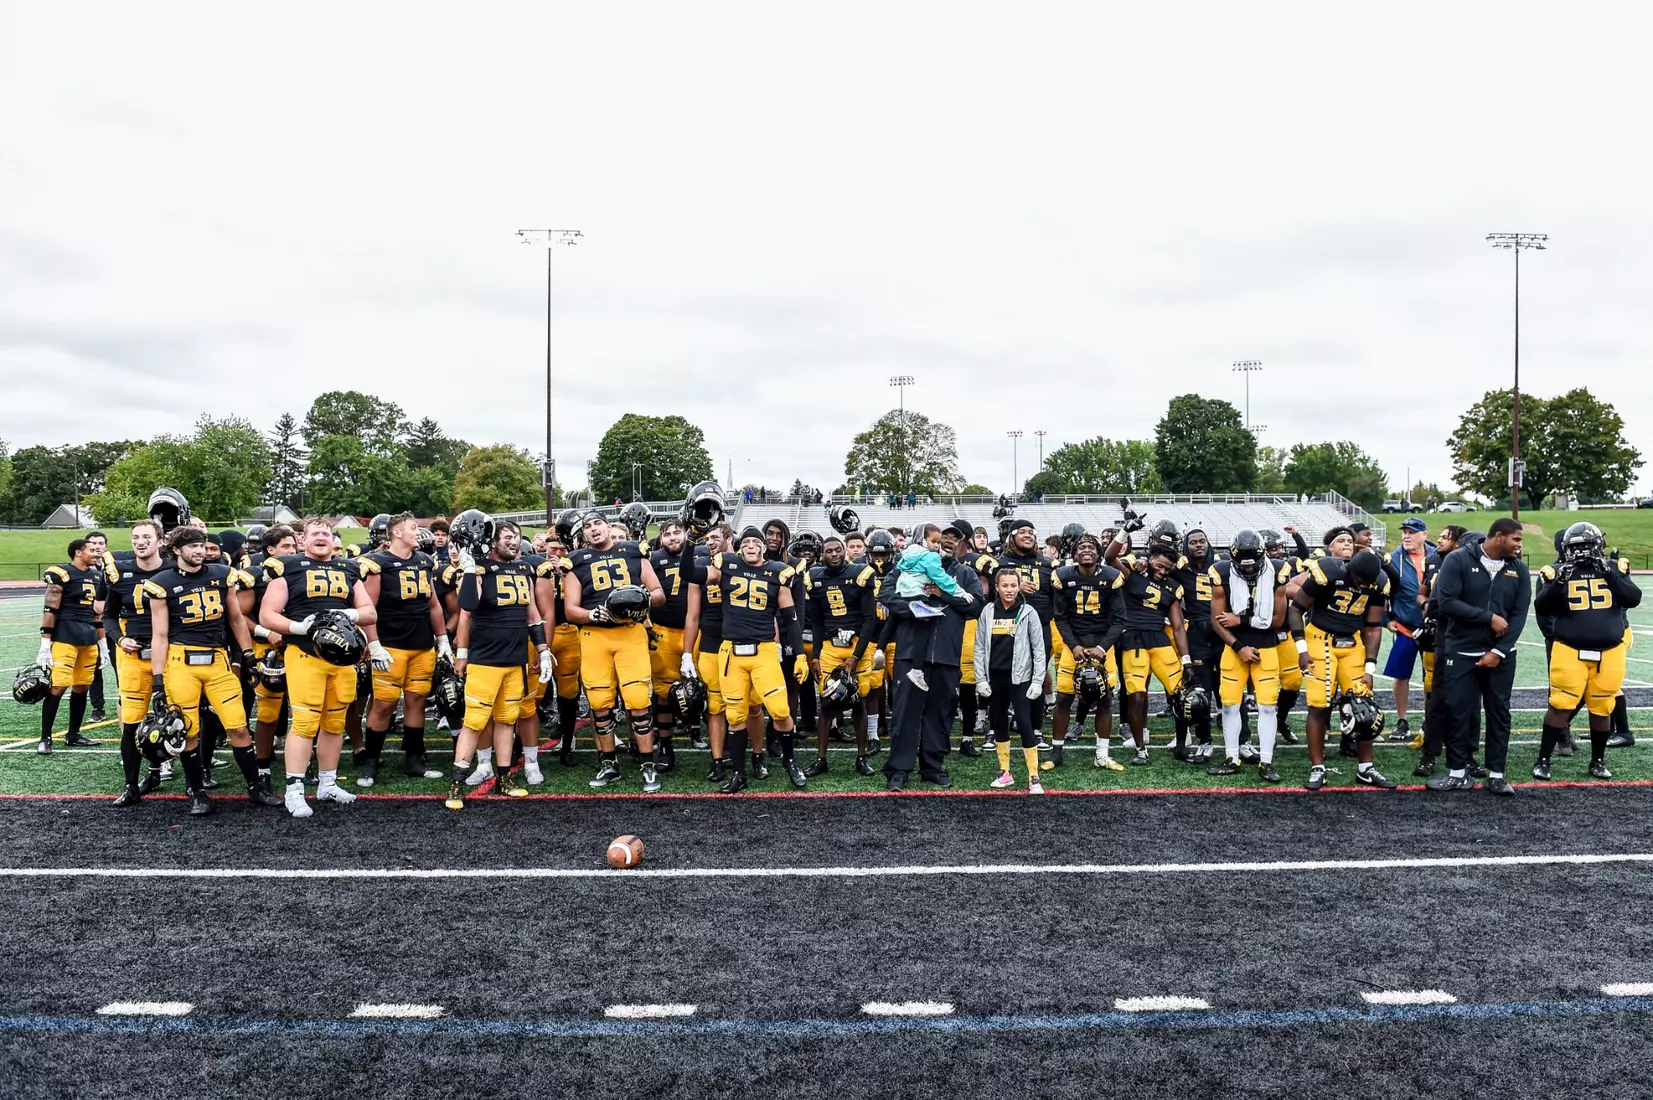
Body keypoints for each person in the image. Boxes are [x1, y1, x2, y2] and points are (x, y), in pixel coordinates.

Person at [143, 526, 278, 815]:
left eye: (201, 545)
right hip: (181, 661)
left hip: (218, 659)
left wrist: (249, 656)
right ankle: (197, 792)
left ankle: (255, 787)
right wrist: (157, 680)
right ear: (177, 550)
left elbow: (237, 620)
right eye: (192, 546)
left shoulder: (221, 574)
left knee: (239, 727)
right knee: (189, 732)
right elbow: (160, 635)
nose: (200, 550)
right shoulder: (161, 583)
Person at [259, 516, 380, 818]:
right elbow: (267, 614)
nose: (321, 537)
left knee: (335, 722)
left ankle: (327, 782)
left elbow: (369, 612)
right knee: (304, 723)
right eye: (315, 533)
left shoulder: (349, 568)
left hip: (343, 658)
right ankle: (294, 790)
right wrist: (298, 627)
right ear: (302, 540)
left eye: (326, 533)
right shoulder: (287, 567)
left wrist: (348, 615)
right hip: (305, 654)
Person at [683, 526, 807, 793]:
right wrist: (692, 542)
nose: (751, 546)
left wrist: (799, 655)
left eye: (756, 542)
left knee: (779, 710)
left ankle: (791, 763)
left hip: (763, 651)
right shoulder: (726, 565)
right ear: (740, 546)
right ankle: (738, 774)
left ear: (764, 547)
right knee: (735, 714)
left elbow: (791, 619)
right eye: (747, 542)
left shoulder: (778, 572)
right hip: (731, 652)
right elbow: (689, 573)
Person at [448, 520, 553, 808]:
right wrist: (469, 569)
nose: (515, 541)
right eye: (508, 537)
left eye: (517, 537)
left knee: (507, 721)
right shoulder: (478, 568)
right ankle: (457, 784)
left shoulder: (523, 569)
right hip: (486, 660)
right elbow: (468, 605)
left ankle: (503, 777)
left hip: (515, 658)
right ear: (492, 541)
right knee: (475, 723)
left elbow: (532, 615)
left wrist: (543, 650)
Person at [1425, 517, 1530, 795]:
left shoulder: (1518, 569)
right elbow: (1446, 603)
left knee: (1499, 712)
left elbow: (1519, 615)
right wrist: (1488, 618)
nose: (1520, 545)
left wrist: (1498, 650)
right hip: (1461, 649)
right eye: (1516, 539)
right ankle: (1457, 772)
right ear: (1498, 537)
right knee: (1458, 711)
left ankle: (1496, 774)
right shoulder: (1458, 560)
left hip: (1501, 655)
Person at [564, 511, 666, 791]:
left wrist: (640, 600)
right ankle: (609, 764)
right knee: (599, 705)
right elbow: (570, 610)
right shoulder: (576, 561)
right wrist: (591, 615)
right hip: (595, 635)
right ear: (583, 534)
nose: (594, 529)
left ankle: (648, 765)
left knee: (638, 703)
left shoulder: (633, 552)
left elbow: (658, 593)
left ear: (608, 527)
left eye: (598, 523)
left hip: (630, 633)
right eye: (587, 526)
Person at [1530, 523, 1639, 781]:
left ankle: (1598, 761)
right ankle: (1543, 760)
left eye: (1586, 546)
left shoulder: (1614, 569)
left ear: (1598, 545)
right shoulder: (1555, 572)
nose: (1581, 551)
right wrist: (1559, 582)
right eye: (1576, 546)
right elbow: (1542, 607)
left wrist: (1609, 574)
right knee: (1560, 704)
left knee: (1602, 707)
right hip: (1569, 649)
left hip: (1610, 651)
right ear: (1566, 549)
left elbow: (1633, 598)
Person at [878, 525, 982, 791]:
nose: (947, 543)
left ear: (961, 544)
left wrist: (940, 593)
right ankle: (898, 769)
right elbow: (887, 594)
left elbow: (976, 606)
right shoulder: (907, 563)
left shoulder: (965, 573)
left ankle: (932, 766)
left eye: (953, 539)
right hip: (911, 652)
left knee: (940, 713)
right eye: (942, 539)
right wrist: (915, 607)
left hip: (947, 655)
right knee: (904, 713)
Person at [1290, 534, 1396, 791]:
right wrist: (1302, 649)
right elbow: (1296, 609)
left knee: (1364, 706)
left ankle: (1365, 769)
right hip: (1319, 638)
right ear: (1350, 571)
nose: (1362, 587)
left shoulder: (1379, 583)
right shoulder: (1326, 571)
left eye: (1367, 583)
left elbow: (1372, 627)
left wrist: (1370, 667)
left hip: (1353, 643)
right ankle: (1318, 767)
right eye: (1359, 581)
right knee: (1319, 705)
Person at [357, 513, 450, 788]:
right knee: (384, 704)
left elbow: (433, 605)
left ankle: (414, 760)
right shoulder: (378, 563)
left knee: (417, 701)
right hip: (391, 645)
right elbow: (368, 609)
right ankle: (371, 762)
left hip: (421, 646)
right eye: (413, 528)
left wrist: (442, 638)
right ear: (396, 533)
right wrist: (373, 644)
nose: (418, 532)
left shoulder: (424, 560)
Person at [1208, 530, 1290, 782]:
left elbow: (1277, 620)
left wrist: (1241, 619)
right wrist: (1238, 647)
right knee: (1230, 705)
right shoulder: (1221, 572)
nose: (1247, 570)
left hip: (1266, 647)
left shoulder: (1278, 571)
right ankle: (1232, 756)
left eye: (1252, 564)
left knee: (1267, 707)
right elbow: (1217, 621)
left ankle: (1266, 761)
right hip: (1234, 650)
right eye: (1242, 566)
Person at [1049, 533, 1125, 770]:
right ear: (1074, 554)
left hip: (1103, 646)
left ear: (1098, 553)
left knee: (1105, 700)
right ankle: (1056, 753)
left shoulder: (1112, 577)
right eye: (1081, 546)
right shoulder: (1062, 577)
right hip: (1075, 646)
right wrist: (1074, 646)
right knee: (1063, 699)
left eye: (1091, 546)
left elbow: (1120, 619)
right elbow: (1060, 618)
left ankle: (1102, 755)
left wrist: (1103, 647)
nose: (1086, 549)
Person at [106, 520, 169, 804]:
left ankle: (196, 777)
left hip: (170, 654)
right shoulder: (120, 573)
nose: (140, 541)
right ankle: (131, 785)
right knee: (131, 721)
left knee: (180, 715)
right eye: (135, 537)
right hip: (133, 653)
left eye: (146, 537)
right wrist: (120, 638)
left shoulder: (173, 570)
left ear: (159, 540)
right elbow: (108, 615)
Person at [805, 534, 878, 776]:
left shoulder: (861, 573)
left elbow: (869, 619)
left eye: (838, 550)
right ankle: (821, 759)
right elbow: (816, 622)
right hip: (830, 647)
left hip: (857, 645)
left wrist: (856, 656)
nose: (834, 554)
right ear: (822, 554)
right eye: (829, 551)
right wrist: (815, 657)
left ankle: (861, 757)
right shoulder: (814, 578)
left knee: (858, 701)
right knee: (826, 703)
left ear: (845, 551)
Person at [974, 568, 1048, 793]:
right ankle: (1005, 772)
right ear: (996, 587)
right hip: (995, 678)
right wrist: (980, 679)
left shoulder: (1028, 612)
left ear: (1019, 587)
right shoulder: (988, 612)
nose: (1009, 590)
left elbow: (1039, 649)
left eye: (1013, 586)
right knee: (999, 724)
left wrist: (1037, 681)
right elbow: (979, 647)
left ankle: (1033, 776)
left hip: (1021, 679)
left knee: (1025, 724)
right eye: (1004, 586)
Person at [35, 537, 107, 754]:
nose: (96, 553)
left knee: (82, 686)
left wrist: (103, 644)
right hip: (65, 635)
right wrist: (45, 645)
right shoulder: (62, 574)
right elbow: (50, 610)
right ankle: (45, 737)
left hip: (88, 636)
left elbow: (98, 614)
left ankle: (73, 734)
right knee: (58, 686)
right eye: (91, 550)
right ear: (78, 552)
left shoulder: (97, 575)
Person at [1383, 518, 1437, 745]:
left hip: (1434, 627)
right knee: (1401, 674)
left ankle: (1430, 720)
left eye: (1412, 532)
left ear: (1424, 535)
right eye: (1404, 531)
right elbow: (1381, 591)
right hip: (1405, 626)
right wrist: (1386, 619)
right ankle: (1402, 720)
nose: (1407, 536)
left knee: (1432, 678)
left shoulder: (1438, 556)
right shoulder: (1392, 559)